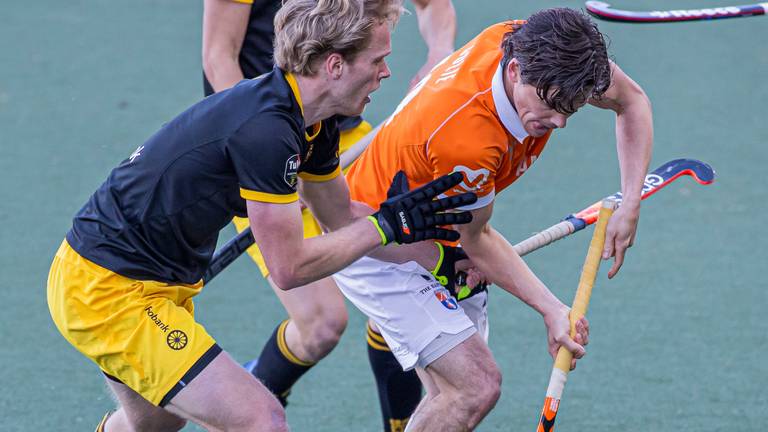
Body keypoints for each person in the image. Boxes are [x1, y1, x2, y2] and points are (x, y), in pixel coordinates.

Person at [47, 1, 476, 431]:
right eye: (378, 60)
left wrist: (434, 255)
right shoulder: (267, 133)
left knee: (153, 425)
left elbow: (341, 217)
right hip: (106, 288)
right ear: (334, 66)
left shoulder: (315, 123)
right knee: (260, 419)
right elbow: (290, 268)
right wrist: (384, 226)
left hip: (161, 281)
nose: (386, 72)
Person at [339, 8, 654, 430]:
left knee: (450, 397)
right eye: (551, 105)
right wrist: (552, 309)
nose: (558, 123)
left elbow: (631, 100)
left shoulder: (538, 45)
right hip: (378, 241)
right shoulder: (466, 140)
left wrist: (631, 201)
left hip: (445, 223)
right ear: (515, 70)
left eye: (571, 110)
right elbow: (478, 241)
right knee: (473, 388)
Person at [202, 0, 456, 428]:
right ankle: (259, 386)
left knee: (402, 287)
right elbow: (218, 56)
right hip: (256, 143)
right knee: (322, 325)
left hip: (334, 131)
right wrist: (274, 154)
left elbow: (432, 5)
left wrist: (439, 53)